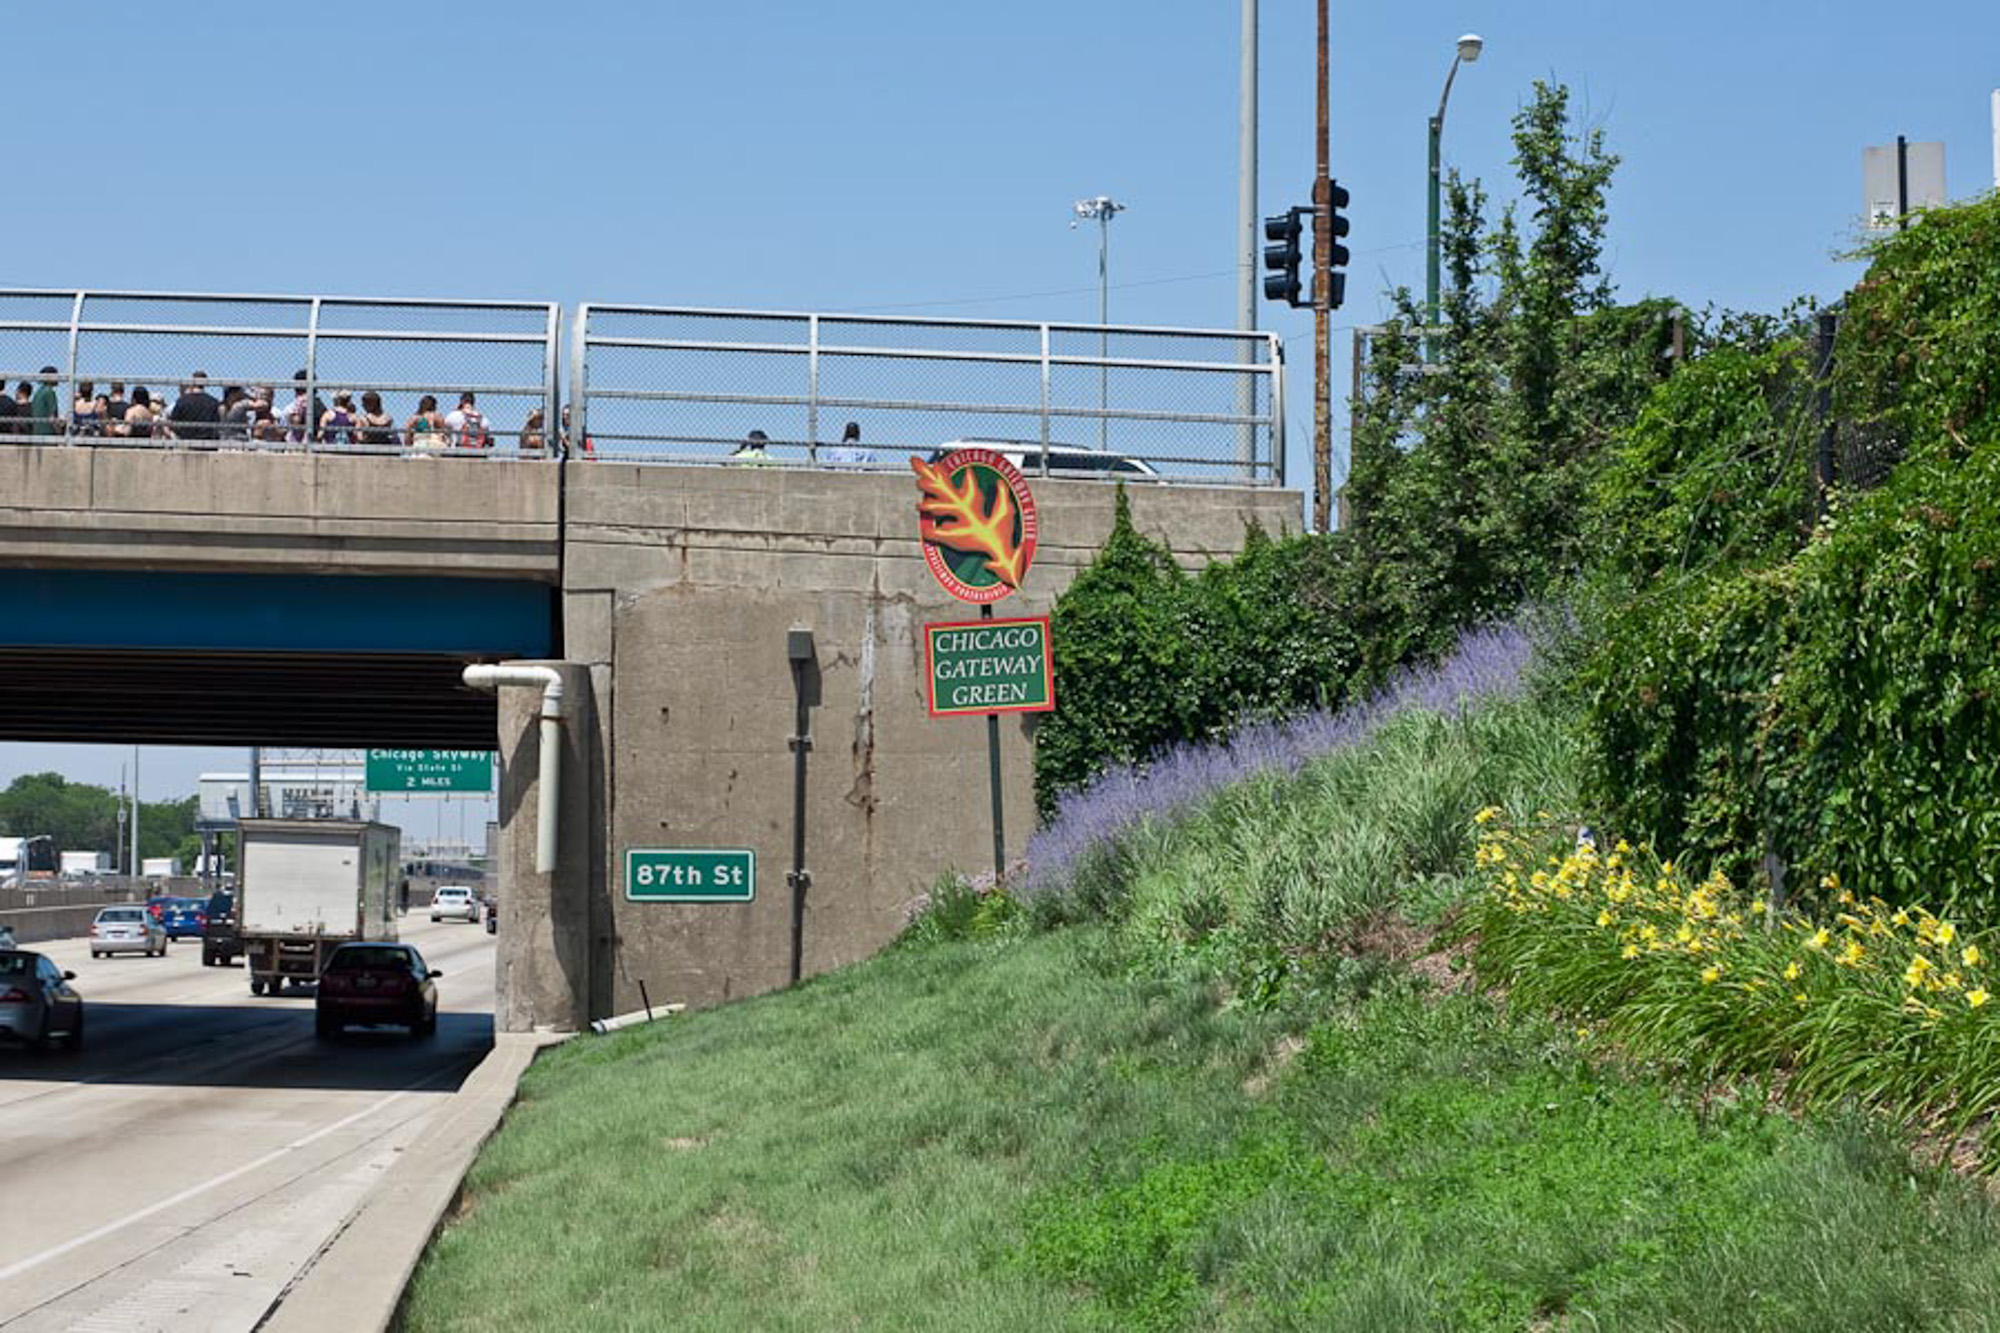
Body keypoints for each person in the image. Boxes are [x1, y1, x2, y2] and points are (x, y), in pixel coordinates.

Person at [167, 372, 222, 442]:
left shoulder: (182, 401)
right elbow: (217, 423)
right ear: (206, 383)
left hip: (186, 441)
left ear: (192, 382)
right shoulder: (213, 402)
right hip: (208, 442)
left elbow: (173, 422)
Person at [28, 367, 60, 436]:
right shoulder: (50, 392)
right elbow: (52, 418)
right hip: (47, 433)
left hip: (36, 433)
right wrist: (59, 433)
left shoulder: (38, 392)